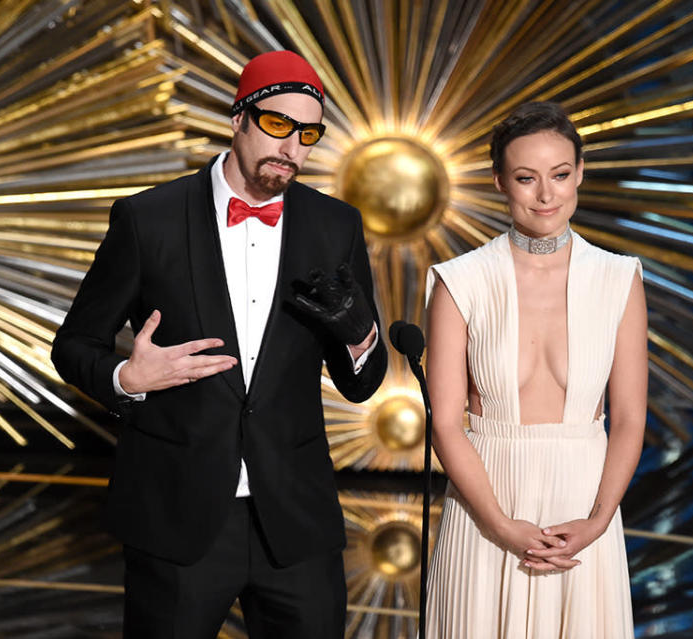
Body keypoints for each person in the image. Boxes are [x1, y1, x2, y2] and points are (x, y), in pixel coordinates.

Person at [51, 50, 387, 638]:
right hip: (177, 515)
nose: (291, 148)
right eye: (277, 125)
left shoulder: (336, 226)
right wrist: (128, 379)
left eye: (307, 134)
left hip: (295, 519)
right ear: (239, 118)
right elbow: (73, 345)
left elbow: (360, 383)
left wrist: (360, 334)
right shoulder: (147, 219)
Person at [423, 101, 646, 637]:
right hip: (485, 511)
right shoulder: (460, 281)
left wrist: (597, 521)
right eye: (526, 178)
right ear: (500, 181)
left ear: (579, 174)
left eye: (560, 175)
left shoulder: (619, 278)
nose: (547, 195)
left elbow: (631, 418)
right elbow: (446, 423)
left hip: (583, 517)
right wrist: (502, 526)